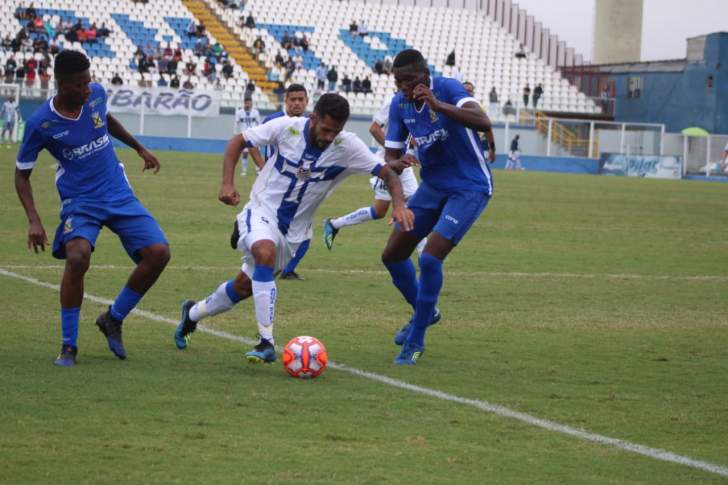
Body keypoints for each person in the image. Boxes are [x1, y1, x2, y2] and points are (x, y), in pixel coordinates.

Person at [173, 93, 413, 363]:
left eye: (335, 132)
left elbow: (388, 174)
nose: (329, 137)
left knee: (243, 287)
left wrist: (399, 205)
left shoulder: (347, 146)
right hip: (261, 210)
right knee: (264, 252)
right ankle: (266, 342)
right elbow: (238, 141)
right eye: (325, 129)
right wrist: (227, 183)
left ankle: (192, 313)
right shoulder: (287, 128)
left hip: (294, 233)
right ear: (313, 118)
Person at [14, 50, 170, 367]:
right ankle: (68, 346)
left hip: (117, 191)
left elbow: (105, 119)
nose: (88, 89)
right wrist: (33, 220)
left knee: (159, 253)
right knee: (77, 257)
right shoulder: (41, 123)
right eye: (80, 85)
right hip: (80, 200)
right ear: (62, 85)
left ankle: (113, 318)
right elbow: (21, 174)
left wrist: (139, 148)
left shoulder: (96, 95)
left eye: (89, 82)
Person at [380, 49, 493, 365]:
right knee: (392, 255)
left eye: (410, 80)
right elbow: (390, 157)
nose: (404, 87)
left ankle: (415, 340)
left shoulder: (447, 88)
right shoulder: (399, 104)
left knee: (429, 258)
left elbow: (483, 121)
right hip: (432, 186)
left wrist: (438, 105)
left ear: (425, 75)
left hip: (469, 186)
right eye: (399, 81)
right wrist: (396, 163)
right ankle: (425, 313)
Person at [323, 94, 423, 253]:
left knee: (383, 210)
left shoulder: (417, 104)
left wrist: (411, 148)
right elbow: (374, 128)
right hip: (389, 162)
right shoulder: (393, 102)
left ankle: (335, 224)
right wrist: (394, 151)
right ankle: (424, 256)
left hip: (401, 162)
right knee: (406, 208)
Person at [260, 84, 311, 280]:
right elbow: (251, 144)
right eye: (293, 99)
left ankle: (284, 269)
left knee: (305, 231)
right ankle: (276, 268)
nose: (297, 103)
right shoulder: (273, 120)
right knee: (277, 229)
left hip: (297, 186)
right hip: (274, 186)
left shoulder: (309, 124)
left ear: (306, 101)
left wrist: (305, 180)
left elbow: (307, 158)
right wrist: (262, 167)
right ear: (286, 101)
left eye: (301, 99)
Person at [234, 98, 262, 176]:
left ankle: (258, 170)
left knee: (256, 153)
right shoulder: (239, 112)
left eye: (250, 103)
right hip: (244, 135)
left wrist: (259, 133)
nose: (249, 105)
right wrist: (235, 133)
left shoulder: (255, 112)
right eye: (247, 103)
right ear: (244, 103)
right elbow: (236, 123)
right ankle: (244, 170)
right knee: (245, 153)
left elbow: (259, 123)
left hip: (254, 135)